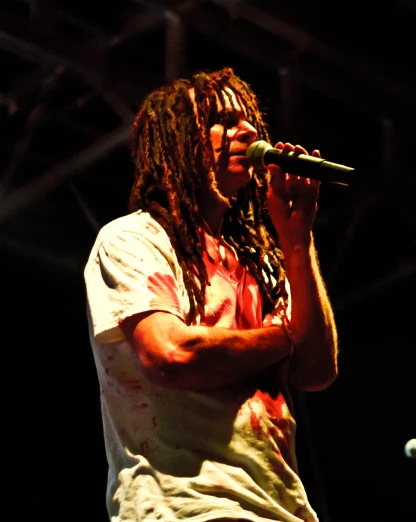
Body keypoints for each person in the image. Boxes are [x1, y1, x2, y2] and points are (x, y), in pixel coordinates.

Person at [83, 66, 339, 522]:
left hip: (281, 510)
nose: (248, 131)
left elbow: (317, 371)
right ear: (179, 138)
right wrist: (284, 338)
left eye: (251, 122)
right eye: (224, 120)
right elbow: (172, 356)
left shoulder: (259, 262)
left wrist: (298, 239)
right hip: (189, 505)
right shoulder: (134, 239)